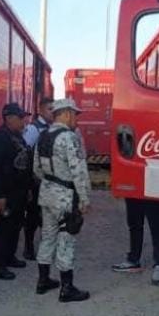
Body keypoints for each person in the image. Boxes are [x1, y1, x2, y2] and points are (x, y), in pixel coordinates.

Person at [34, 98, 91, 302]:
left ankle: (43, 281)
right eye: (75, 114)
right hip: (65, 197)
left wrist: (50, 182)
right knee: (66, 240)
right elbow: (79, 171)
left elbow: (36, 168)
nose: (76, 119)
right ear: (66, 113)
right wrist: (84, 198)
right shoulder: (69, 137)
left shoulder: (43, 136)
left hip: (46, 194)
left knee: (47, 236)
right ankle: (67, 288)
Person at [0, 102, 32, 280]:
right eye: (21, 118)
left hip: (19, 190)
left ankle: (9, 257)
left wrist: (28, 189)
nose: (23, 122)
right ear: (9, 118)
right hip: (6, 192)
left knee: (16, 225)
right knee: (3, 228)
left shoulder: (17, 136)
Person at [21, 97, 53, 260]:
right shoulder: (34, 129)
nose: (52, 112)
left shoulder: (52, 128)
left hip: (48, 179)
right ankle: (28, 247)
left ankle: (46, 247)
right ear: (40, 110)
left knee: (47, 215)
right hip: (36, 180)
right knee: (33, 215)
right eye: (49, 109)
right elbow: (25, 152)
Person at [112, 198, 159, 285]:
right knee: (134, 223)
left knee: (156, 225)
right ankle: (133, 260)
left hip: (153, 191)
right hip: (134, 191)